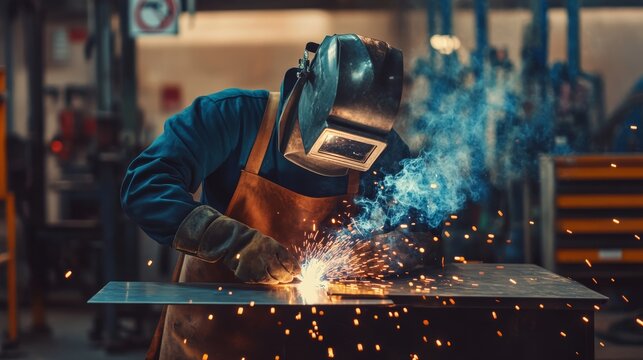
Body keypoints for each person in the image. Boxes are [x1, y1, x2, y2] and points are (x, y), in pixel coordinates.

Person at [122, 33, 437, 359]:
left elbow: (423, 229)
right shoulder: (233, 117)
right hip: (210, 339)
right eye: (334, 140)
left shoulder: (385, 152)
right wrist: (230, 241)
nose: (336, 159)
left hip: (320, 343)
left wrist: (399, 248)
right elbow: (144, 184)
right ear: (308, 88)